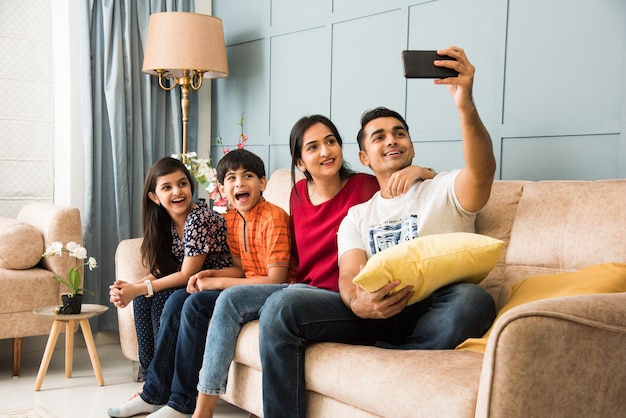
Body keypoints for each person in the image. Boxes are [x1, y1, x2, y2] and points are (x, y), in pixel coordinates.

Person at [257, 46, 498, 417]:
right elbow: (350, 272)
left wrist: (464, 103)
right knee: (281, 305)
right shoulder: (357, 215)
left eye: (399, 133)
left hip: (432, 310)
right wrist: (358, 302)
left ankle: (393, 351)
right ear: (366, 159)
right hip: (373, 311)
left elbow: (481, 172)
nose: (391, 140)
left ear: (411, 146)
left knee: (473, 301)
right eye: (379, 136)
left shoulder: (445, 189)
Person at [191, 115, 433, 417]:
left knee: (281, 303)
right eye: (313, 147)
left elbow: (409, 189)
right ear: (301, 162)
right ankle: (202, 411)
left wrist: (420, 170)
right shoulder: (297, 194)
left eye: (331, 142)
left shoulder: (364, 186)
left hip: (340, 296)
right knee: (225, 300)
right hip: (299, 289)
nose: (325, 151)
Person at [107, 149, 295, 418]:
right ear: (221, 188)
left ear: (262, 183)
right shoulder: (231, 218)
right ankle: (154, 391)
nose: (240, 183)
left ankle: (180, 401)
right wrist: (136, 286)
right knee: (169, 301)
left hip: (271, 290)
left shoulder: (271, 217)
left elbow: (274, 278)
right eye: (231, 178)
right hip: (237, 283)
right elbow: (240, 267)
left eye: (248, 176)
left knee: (187, 302)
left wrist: (215, 279)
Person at [109, 157, 232, 380]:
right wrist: (129, 288)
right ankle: (150, 381)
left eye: (182, 183)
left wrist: (139, 289)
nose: (178, 191)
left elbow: (187, 274)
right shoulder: (164, 222)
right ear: (154, 197)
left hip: (214, 282)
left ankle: (163, 381)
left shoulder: (199, 218)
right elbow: (161, 270)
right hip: (192, 284)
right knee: (142, 300)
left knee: (161, 300)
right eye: (167, 187)